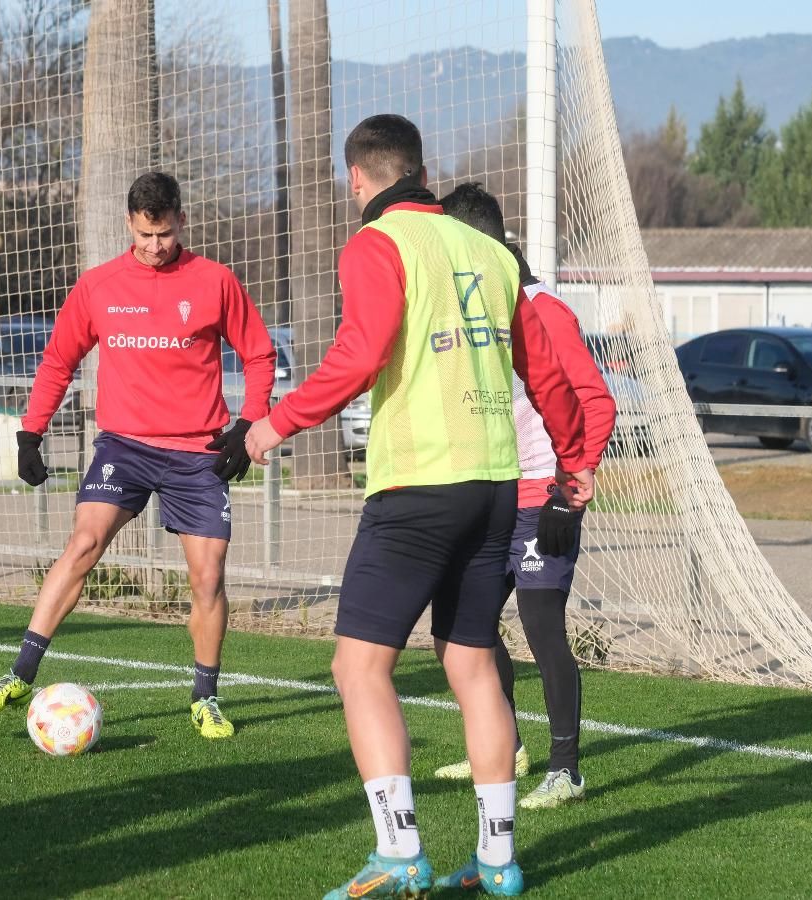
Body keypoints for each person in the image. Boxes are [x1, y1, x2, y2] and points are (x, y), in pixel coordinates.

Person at [244, 115, 592, 897]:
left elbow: (360, 354)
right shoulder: (490, 252)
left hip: (417, 488)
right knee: (470, 662)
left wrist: (272, 425)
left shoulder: (377, 243)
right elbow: (544, 373)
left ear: (357, 180)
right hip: (497, 488)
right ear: (422, 172)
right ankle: (498, 863)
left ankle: (399, 851)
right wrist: (573, 465)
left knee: (359, 666)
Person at [0, 171, 276, 740]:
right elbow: (59, 360)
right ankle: (19, 674)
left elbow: (259, 356)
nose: (154, 247)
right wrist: (31, 433)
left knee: (208, 578)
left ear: (181, 221)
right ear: (129, 224)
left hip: (195, 452)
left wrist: (247, 424)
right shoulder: (99, 286)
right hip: (124, 446)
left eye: (164, 234)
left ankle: (205, 697)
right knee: (83, 544)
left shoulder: (215, 282)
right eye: (144, 235)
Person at [431, 183, 616, 812]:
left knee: (540, 626)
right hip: (491, 494)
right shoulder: (475, 308)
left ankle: (566, 770)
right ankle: (504, 745)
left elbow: (595, 401)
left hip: (544, 497)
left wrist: (571, 484)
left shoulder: (543, 309)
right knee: (465, 626)